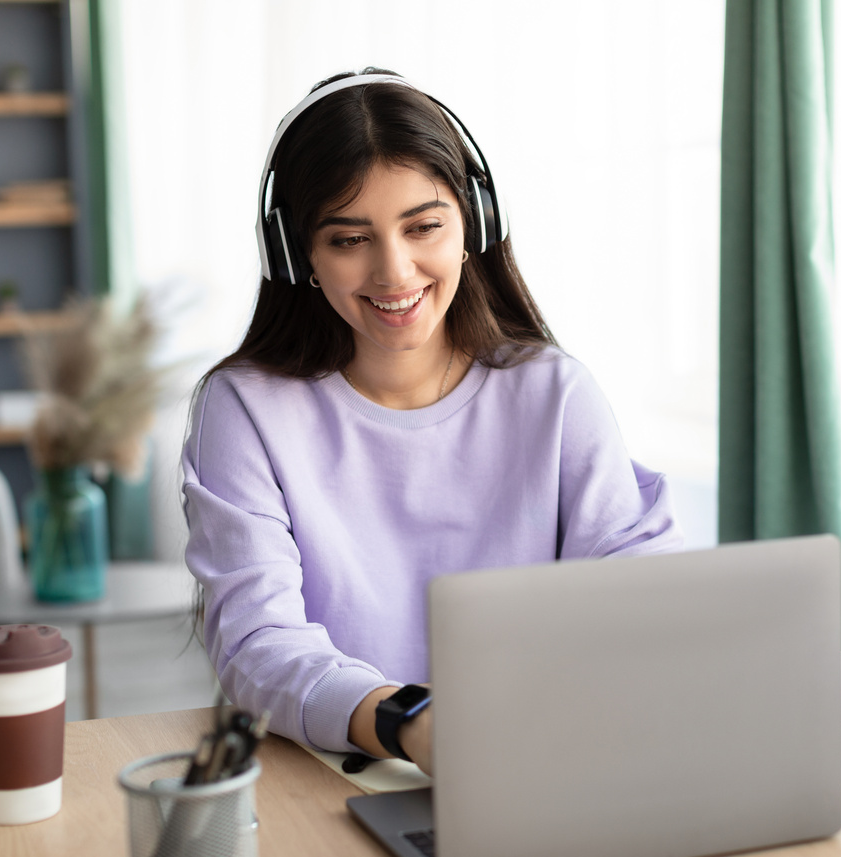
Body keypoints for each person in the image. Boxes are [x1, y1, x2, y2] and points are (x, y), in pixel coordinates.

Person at [182, 68, 684, 775]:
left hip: (541, 761)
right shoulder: (245, 410)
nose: (394, 271)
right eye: (349, 239)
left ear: (473, 222)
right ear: (298, 257)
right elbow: (257, 642)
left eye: (423, 227)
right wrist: (411, 723)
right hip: (334, 776)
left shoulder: (554, 393)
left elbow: (639, 577)